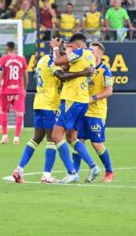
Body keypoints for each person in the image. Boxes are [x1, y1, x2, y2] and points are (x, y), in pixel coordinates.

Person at [12, 42, 93, 184]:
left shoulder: (42, 59)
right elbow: (62, 75)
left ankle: (19, 169)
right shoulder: (51, 60)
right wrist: (82, 73)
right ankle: (46, 175)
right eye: (62, 50)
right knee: (52, 139)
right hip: (49, 104)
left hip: (38, 102)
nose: (64, 54)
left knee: (36, 138)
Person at [51, 33, 101, 184]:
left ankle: (72, 172)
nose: (70, 49)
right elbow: (67, 65)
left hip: (71, 99)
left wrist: (55, 48)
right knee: (72, 138)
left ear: (77, 45)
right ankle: (93, 167)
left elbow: (58, 62)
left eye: (71, 47)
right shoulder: (90, 56)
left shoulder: (79, 52)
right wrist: (65, 49)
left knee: (55, 136)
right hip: (82, 100)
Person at [74, 42, 115, 183]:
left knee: (96, 144)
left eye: (92, 51)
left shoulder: (105, 70)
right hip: (82, 111)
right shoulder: (86, 69)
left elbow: (109, 91)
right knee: (78, 141)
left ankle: (109, 172)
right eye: (89, 50)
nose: (90, 53)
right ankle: (75, 173)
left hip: (96, 112)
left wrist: (93, 98)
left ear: (100, 53)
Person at [0, 42, 28, 145]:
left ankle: (5, 136)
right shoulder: (21, 59)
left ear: (7, 48)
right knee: (19, 114)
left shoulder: (3, 60)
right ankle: (16, 138)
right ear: (14, 48)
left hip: (6, 91)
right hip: (18, 90)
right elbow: (26, 76)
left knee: (4, 112)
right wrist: (25, 88)